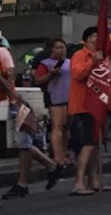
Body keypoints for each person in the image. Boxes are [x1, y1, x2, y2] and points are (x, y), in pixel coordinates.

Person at [0, 41, 66, 199]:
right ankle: (48, 168)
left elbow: (7, 77)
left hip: (9, 103)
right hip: (9, 101)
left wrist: (13, 96)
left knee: (23, 143)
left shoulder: (2, 53)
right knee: (23, 145)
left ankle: (26, 182)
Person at [68, 27, 111, 196]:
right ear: (87, 39)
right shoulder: (80, 55)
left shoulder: (104, 58)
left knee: (95, 144)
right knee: (88, 143)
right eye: (95, 36)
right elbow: (77, 74)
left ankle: (94, 180)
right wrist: (92, 61)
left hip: (100, 104)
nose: (99, 39)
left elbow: (107, 82)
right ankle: (79, 182)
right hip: (84, 105)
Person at [33, 38, 71, 167]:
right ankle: (57, 157)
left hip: (70, 98)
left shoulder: (70, 62)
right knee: (57, 127)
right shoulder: (45, 63)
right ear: (51, 49)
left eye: (62, 47)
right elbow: (38, 80)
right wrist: (51, 74)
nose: (60, 50)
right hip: (55, 97)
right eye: (57, 47)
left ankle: (64, 154)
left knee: (66, 127)